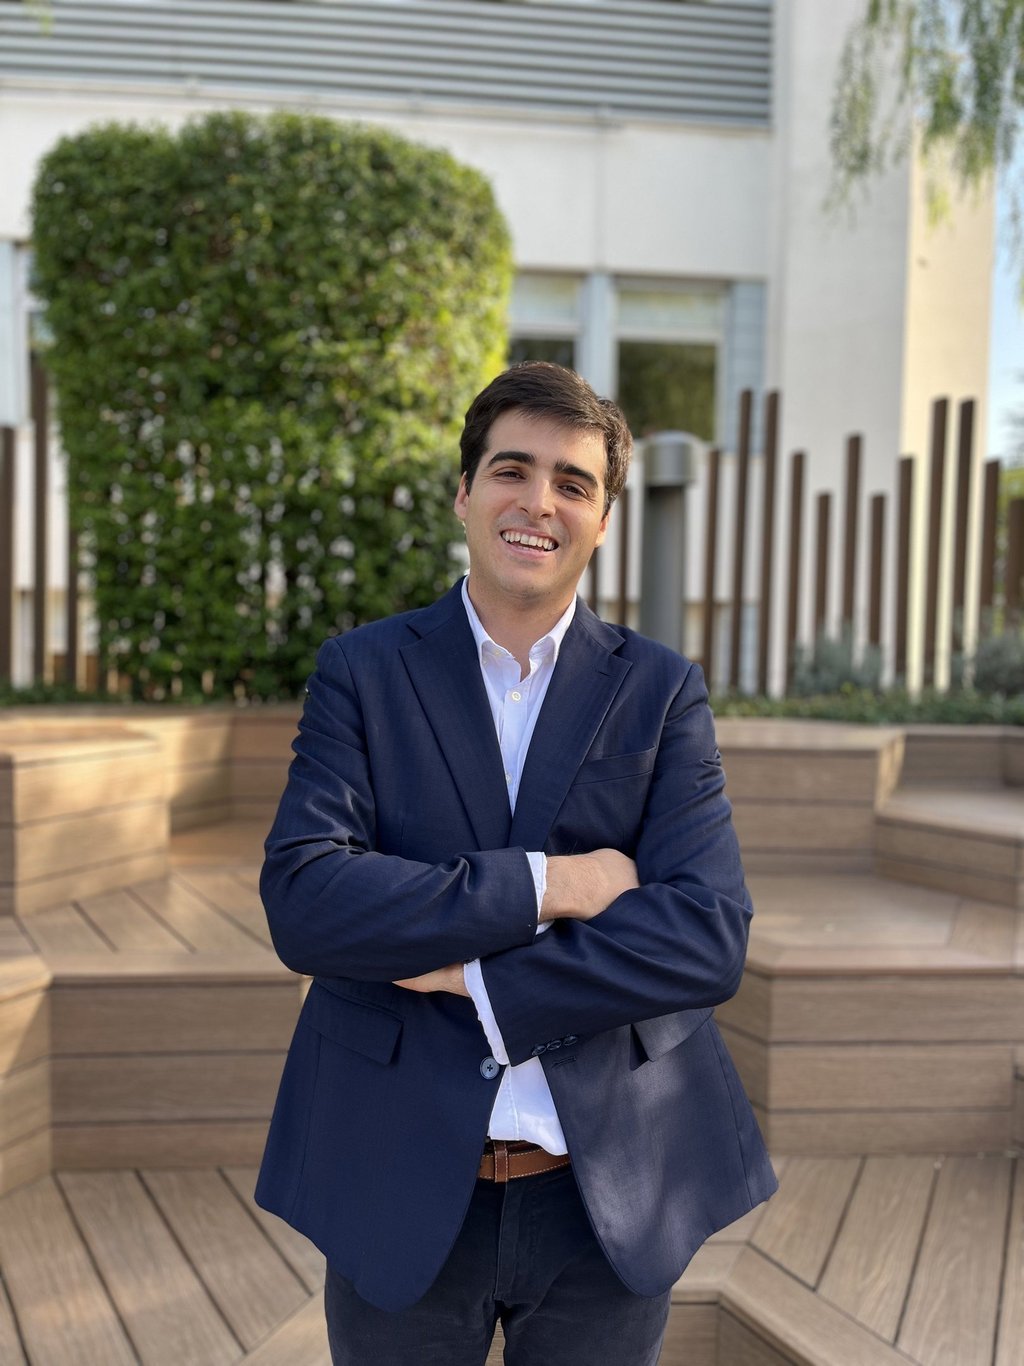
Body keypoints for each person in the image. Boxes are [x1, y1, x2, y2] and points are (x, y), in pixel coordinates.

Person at [256, 362, 776, 1365]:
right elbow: (308, 899)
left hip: (606, 1191)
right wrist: (556, 883)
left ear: (602, 520)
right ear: (464, 493)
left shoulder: (661, 691)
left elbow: (706, 936)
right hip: (395, 1174)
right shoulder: (361, 671)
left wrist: (471, 977)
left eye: (573, 483)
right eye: (512, 470)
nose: (539, 501)